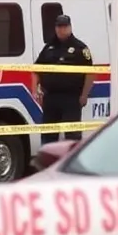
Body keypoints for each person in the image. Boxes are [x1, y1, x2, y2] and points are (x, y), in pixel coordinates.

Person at [32, 14, 95, 143]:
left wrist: (84, 95)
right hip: (51, 98)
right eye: (59, 26)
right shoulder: (49, 47)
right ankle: (49, 162)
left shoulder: (80, 48)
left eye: (64, 26)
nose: (61, 29)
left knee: (72, 136)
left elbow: (90, 73)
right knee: (48, 135)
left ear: (70, 27)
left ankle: (71, 161)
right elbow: (36, 69)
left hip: (71, 98)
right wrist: (35, 91)